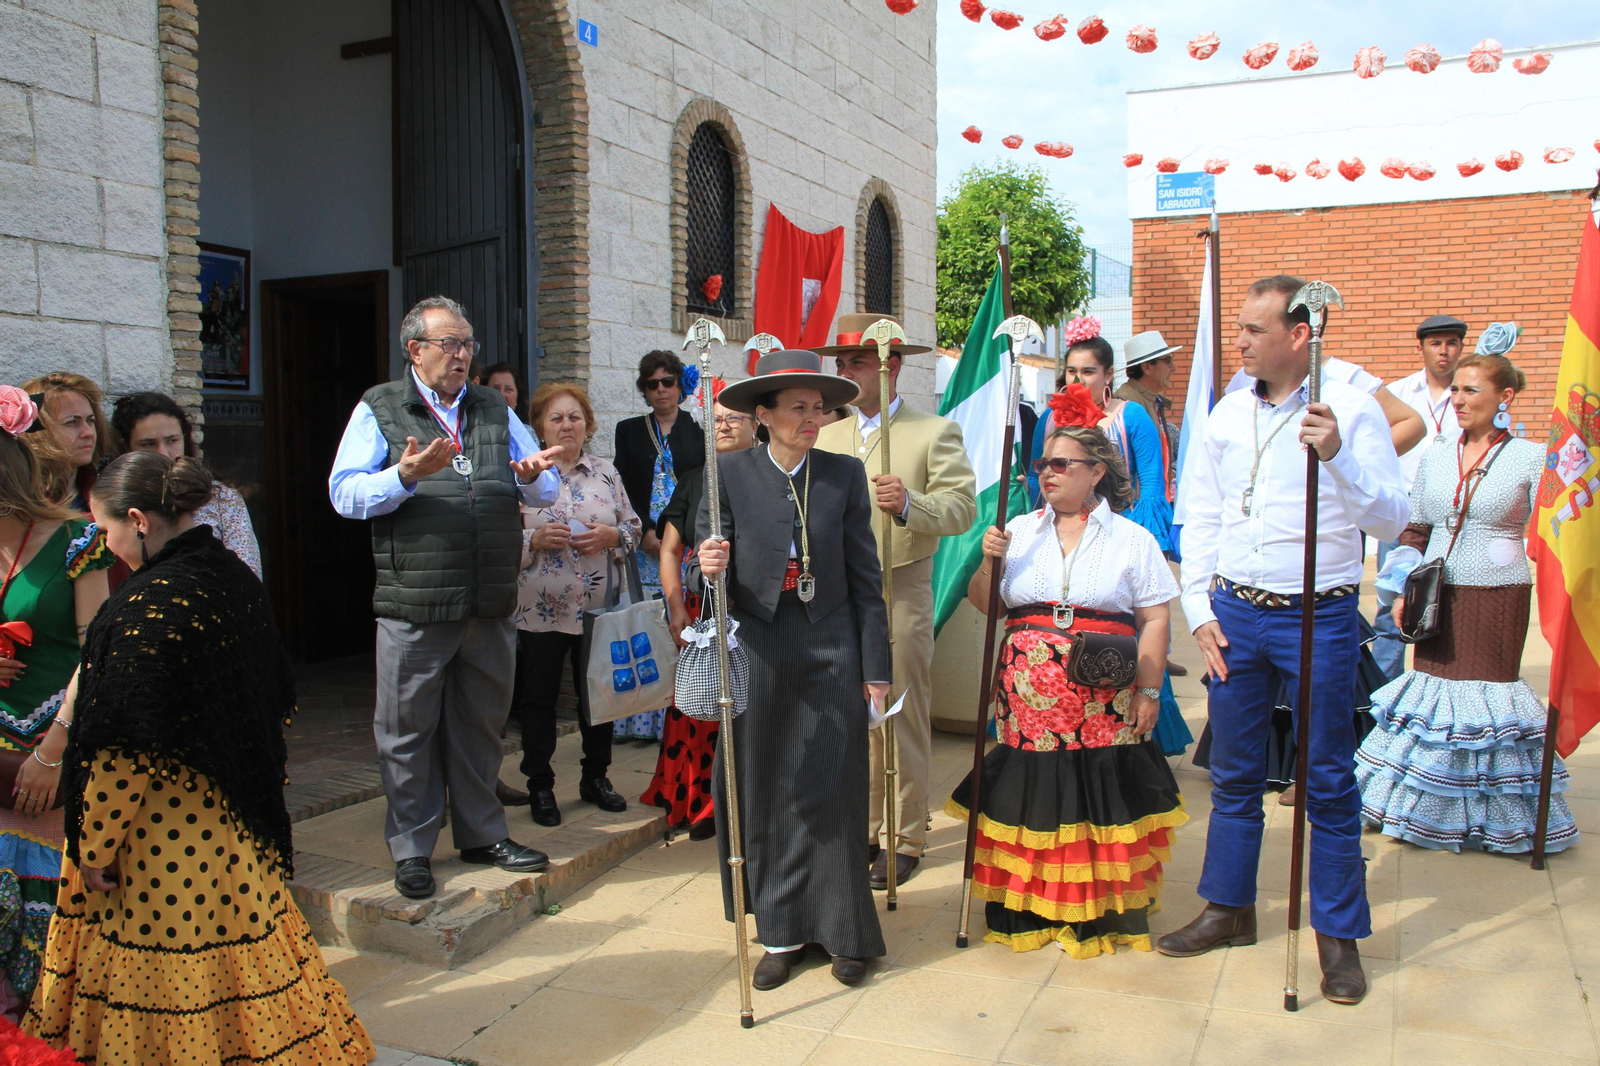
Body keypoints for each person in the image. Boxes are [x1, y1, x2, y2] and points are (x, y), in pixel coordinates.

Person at [23, 452, 374, 1064]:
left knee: (173, 983)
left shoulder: (148, 607)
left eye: (105, 530)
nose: (106, 547)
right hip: (234, 834)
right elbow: (271, 699)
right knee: (240, 973)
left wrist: (96, 845)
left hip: (159, 848)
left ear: (138, 519)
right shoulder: (233, 580)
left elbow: (121, 750)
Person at [1162, 275, 1409, 1007]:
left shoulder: (1354, 411)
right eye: (1237, 327)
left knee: (1328, 778)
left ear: (1299, 335)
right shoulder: (1227, 414)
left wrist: (1337, 455)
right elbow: (1200, 515)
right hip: (1236, 612)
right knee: (1234, 773)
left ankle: (1338, 936)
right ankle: (1228, 907)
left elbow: (1393, 518)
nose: (1237, 342)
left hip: (1320, 612)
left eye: (1252, 330)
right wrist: (1198, 607)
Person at [328, 295, 563, 901]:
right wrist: (404, 476)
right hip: (416, 600)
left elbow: (545, 487)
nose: (462, 356)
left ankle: (483, 834)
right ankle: (411, 847)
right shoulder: (379, 407)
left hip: (488, 597)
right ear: (416, 350)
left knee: (481, 724)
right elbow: (344, 494)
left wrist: (534, 475)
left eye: (467, 345)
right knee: (406, 731)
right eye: (450, 345)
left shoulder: (491, 405)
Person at [950, 389, 1186, 957]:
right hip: (1027, 701)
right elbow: (989, 605)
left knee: (1092, 799)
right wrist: (988, 559)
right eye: (1042, 465)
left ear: (1096, 472)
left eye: (1060, 464)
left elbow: (1155, 618)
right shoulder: (1019, 530)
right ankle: (1028, 908)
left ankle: (1091, 914)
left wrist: (1150, 690)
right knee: (1032, 799)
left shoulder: (1133, 539)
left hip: (1102, 700)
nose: (1046, 474)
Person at [696, 348, 888, 990]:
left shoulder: (842, 476)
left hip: (832, 643)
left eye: (819, 408)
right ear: (764, 413)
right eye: (798, 408)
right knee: (769, 784)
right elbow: (708, 568)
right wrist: (710, 564)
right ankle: (779, 932)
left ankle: (843, 931)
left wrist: (876, 667)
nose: (813, 418)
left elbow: (868, 580)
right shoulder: (727, 474)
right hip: (758, 646)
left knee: (832, 786)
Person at [1356, 353, 1576, 853]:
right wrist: (1397, 589)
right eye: (1455, 390)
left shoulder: (1531, 456)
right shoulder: (1436, 453)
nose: (1458, 400)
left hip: (1497, 595)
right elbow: (1416, 527)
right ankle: (1415, 809)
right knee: (1431, 695)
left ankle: (1489, 819)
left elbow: (1559, 527)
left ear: (1505, 398)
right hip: (1434, 594)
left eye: (1471, 391)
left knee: (1486, 702)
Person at [815, 312, 977, 890]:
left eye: (857, 361)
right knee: (851, 717)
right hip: (837, 596)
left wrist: (911, 504)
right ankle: (862, 826)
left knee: (901, 712)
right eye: (841, 362)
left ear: (892, 365)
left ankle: (906, 835)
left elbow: (963, 509)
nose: (846, 371)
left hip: (899, 586)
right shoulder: (825, 435)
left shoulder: (931, 432)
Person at [0, 388, 112, 1019]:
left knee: (54, 910)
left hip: (55, 745)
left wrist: (52, 750)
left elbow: (96, 654)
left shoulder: (77, 539)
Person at [1033, 320, 1192, 754]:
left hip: (1117, 537)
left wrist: (1140, 540)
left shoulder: (1129, 415)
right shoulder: (1049, 417)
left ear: (1107, 375)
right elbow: (1036, 483)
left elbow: (1153, 484)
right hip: (1060, 538)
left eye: (1088, 371)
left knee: (1135, 639)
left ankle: (1144, 735)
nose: (1078, 379)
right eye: (1071, 371)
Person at [513, 383, 640, 827]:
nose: (567, 425)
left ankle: (596, 777)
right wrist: (533, 539)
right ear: (539, 427)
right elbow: (497, 538)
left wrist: (613, 537)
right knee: (539, 698)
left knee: (597, 695)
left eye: (575, 417)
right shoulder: (523, 476)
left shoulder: (606, 472)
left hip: (597, 604)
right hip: (540, 605)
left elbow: (633, 526)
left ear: (588, 424)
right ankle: (540, 786)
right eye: (556, 418)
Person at [640, 379, 755, 840]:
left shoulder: (766, 478)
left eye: (734, 419)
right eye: (718, 419)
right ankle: (699, 801)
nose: (724, 426)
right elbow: (669, 551)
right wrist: (674, 607)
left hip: (754, 613)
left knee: (747, 712)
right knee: (698, 708)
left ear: (756, 424)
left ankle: (740, 801)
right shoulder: (693, 479)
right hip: (700, 612)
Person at [612, 350, 706, 741]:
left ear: (680, 385)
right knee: (643, 620)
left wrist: (673, 534)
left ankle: (675, 715)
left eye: (668, 381)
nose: (662, 390)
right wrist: (646, 530)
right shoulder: (629, 429)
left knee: (678, 618)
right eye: (653, 384)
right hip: (641, 537)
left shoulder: (698, 429)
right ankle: (638, 719)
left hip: (681, 538)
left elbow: (701, 485)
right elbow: (623, 485)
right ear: (644, 389)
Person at [1370, 315, 1468, 681]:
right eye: (1435, 343)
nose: (1444, 351)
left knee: (1449, 599)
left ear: (1461, 347)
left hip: (1451, 511)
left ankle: (1438, 683)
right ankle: (1383, 686)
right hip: (1402, 507)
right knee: (1390, 598)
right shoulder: (1399, 393)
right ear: (1421, 348)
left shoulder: (1471, 391)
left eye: (1451, 343)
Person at [110, 391, 263, 578]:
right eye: (149, 444)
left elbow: (249, 575)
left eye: (172, 440)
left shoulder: (220, 499)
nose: (164, 453)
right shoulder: (117, 502)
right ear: (127, 448)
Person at [1225, 354, 1427, 457]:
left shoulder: (1347, 377)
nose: (1241, 342)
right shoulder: (1245, 378)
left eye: (1257, 330)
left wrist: (1346, 465)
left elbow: (1411, 423)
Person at [21, 373, 114, 512]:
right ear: (38, 433)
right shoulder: (23, 502)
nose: (88, 432)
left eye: (90, 420)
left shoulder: (107, 491)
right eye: (72, 422)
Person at [1115, 330, 1181, 498]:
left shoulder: (1152, 400)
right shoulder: (1125, 405)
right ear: (1147, 367)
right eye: (1168, 361)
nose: (1174, 368)